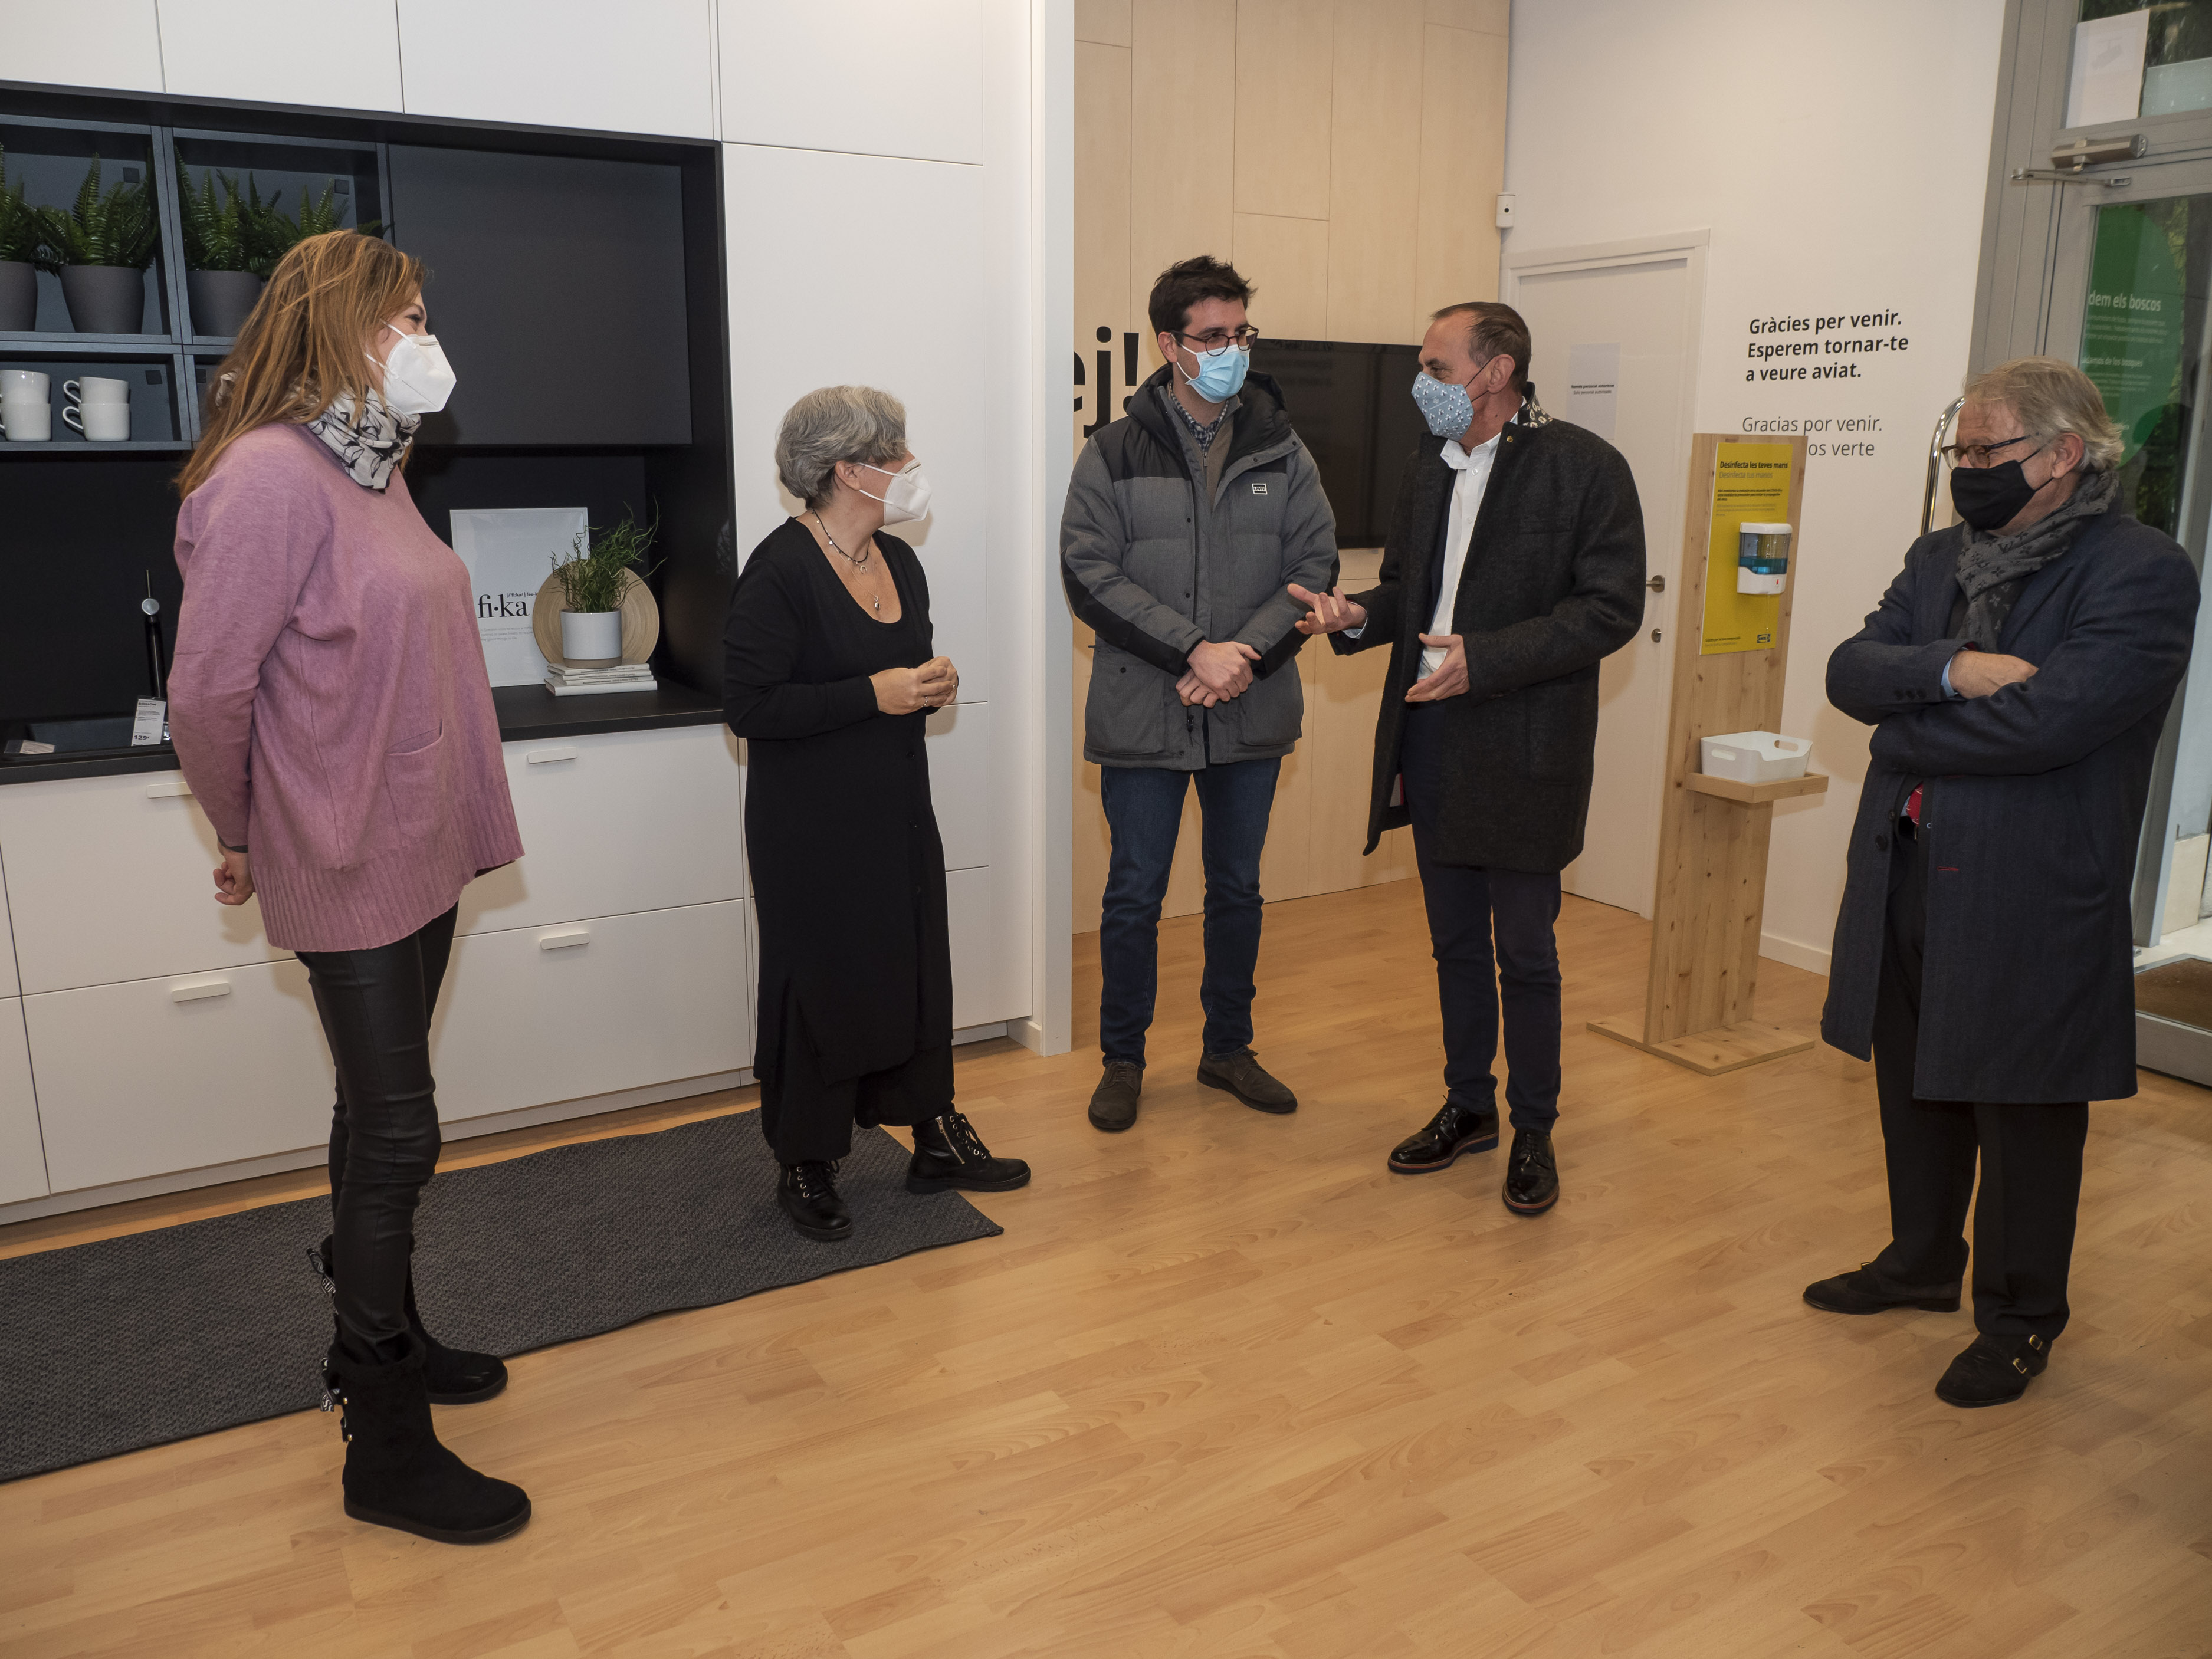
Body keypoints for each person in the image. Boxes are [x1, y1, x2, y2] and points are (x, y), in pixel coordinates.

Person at [168, 231, 530, 1544]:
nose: (427, 338)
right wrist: (244, 828)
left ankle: (388, 1333)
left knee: (374, 1114)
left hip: (413, 836)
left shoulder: (375, 463)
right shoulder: (268, 476)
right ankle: (380, 1437)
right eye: (407, 317)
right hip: (340, 843)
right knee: (400, 1135)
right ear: (340, 324)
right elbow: (206, 692)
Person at [1805, 357, 2196, 1407]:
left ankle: (2020, 1318)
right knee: (1914, 1082)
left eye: (1987, 449)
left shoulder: (2140, 571)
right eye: (1960, 449)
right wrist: (1951, 670)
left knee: (2023, 1112)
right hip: (1908, 868)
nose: (1967, 467)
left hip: (2032, 887)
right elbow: (1848, 668)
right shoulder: (1939, 555)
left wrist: (1902, 731)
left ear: (2063, 454)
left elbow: (2050, 723)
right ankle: (1921, 1260)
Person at [1291, 301, 1644, 1215]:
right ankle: (1468, 1104)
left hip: (1525, 747)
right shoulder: (1429, 462)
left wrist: (1483, 658)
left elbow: (1608, 609)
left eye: (1436, 367)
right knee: (1452, 943)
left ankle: (1534, 1126)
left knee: (1524, 950)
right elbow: (1411, 589)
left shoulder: (1585, 467)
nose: (1422, 383)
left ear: (1495, 373)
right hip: (1433, 736)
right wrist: (1356, 613)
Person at [726, 386, 1030, 1241]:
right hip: (808, 827)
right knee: (818, 982)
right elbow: (749, 707)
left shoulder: (901, 559)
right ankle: (806, 1160)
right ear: (846, 471)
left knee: (915, 962)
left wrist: (931, 685)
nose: (909, 466)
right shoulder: (779, 569)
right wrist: (874, 692)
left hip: (895, 807)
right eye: (894, 454)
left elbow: (900, 678)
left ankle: (933, 1133)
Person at [1060, 255, 1338, 1132]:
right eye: (1212, 336)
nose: (1230, 350)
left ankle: (1228, 1049)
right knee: (1133, 896)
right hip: (1144, 709)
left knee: (1237, 890)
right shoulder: (1111, 451)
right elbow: (1087, 573)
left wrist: (1239, 657)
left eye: (1239, 333)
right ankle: (1123, 1061)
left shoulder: (1283, 449)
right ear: (1168, 344)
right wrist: (1193, 649)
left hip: (1249, 707)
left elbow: (1314, 567)